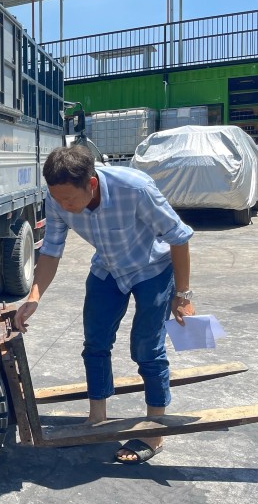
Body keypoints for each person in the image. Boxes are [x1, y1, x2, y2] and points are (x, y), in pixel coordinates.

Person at [14, 146, 195, 464]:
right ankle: (96, 419)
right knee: (95, 343)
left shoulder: (135, 189)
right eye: (57, 199)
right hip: (108, 270)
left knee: (147, 348)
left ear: (92, 184)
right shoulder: (58, 197)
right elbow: (52, 250)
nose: (63, 206)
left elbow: (178, 237)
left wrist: (182, 295)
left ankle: (155, 430)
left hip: (151, 269)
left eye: (69, 199)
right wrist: (34, 297)